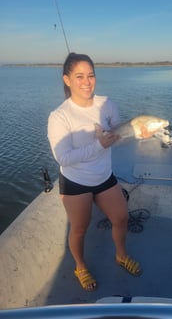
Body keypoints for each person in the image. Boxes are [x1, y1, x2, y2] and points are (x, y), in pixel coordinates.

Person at [48, 52, 142, 291]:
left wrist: (139, 133)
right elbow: (64, 158)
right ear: (67, 80)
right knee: (79, 229)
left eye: (90, 75)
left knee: (121, 218)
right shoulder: (59, 116)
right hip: (75, 182)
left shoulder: (107, 104)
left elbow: (117, 139)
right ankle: (80, 266)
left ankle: (121, 255)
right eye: (79, 76)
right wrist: (98, 144)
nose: (86, 81)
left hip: (104, 176)